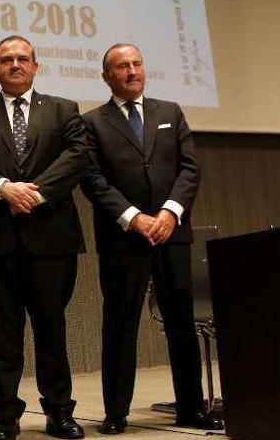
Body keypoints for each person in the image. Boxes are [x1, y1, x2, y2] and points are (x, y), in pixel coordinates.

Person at [80, 43, 223, 434]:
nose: (131, 71)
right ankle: (116, 413)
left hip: (171, 233)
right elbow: (92, 180)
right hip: (123, 238)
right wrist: (133, 217)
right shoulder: (92, 122)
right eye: (122, 67)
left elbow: (190, 168)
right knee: (120, 325)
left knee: (180, 323)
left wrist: (169, 212)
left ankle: (191, 408)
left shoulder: (170, 111)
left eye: (136, 64)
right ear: (106, 76)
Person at [0, 35, 88, 440]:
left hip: (51, 239)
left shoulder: (64, 110)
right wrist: (4, 189)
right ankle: (6, 416)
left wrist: (31, 191)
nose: (14, 65)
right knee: (2, 336)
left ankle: (59, 412)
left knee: (51, 329)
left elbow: (78, 156)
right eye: (5, 59)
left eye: (22, 59)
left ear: (35, 66)